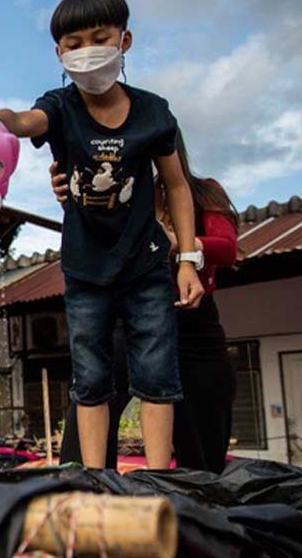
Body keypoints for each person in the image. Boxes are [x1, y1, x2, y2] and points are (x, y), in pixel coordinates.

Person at [0, 0, 204, 469]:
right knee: (90, 379)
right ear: (60, 55)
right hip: (86, 270)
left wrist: (188, 261)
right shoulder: (60, 107)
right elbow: (24, 121)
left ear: (124, 40)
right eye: (74, 44)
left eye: (100, 39)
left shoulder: (153, 113)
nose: (88, 51)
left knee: (156, 375)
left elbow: (176, 186)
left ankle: (156, 480)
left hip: (146, 266)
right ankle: (94, 480)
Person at [56, 131, 240, 473]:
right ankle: (88, 498)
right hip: (133, 318)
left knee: (202, 453)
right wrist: (72, 196)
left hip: (194, 327)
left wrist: (181, 242)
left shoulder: (203, 191)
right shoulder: (124, 195)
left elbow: (227, 248)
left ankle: (195, 514)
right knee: (90, 407)